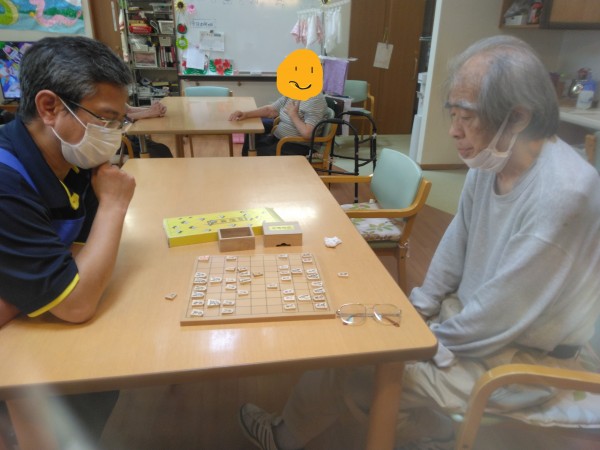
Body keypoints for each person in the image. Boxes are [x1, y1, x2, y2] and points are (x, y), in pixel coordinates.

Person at [237, 35, 600, 450]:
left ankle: (286, 438)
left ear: (517, 118)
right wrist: (419, 310)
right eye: (453, 114)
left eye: (466, 117)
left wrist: (426, 342)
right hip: (474, 325)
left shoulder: (563, 195)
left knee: (360, 367)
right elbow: (456, 244)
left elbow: (502, 315)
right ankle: (428, 430)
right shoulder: (492, 160)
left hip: (521, 358)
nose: (454, 131)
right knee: (361, 338)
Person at [0, 36, 135, 447]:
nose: (113, 135)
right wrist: (113, 205)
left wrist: (29, 289)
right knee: (68, 399)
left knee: (101, 376)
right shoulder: (6, 181)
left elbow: (80, 254)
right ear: (49, 107)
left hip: (27, 316)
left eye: (120, 122)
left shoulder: (71, 159)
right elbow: (75, 303)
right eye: (106, 119)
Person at [229, 93, 328, 156]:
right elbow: (271, 110)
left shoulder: (315, 99)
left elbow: (308, 134)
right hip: (280, 140)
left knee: (255, 153)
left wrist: (293, 115)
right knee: (251, 147)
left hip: (297, 145)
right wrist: (246, 114)